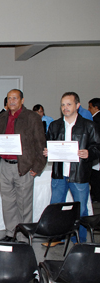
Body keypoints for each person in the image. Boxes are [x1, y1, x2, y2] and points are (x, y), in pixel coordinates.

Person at [43, 92, 100, 244]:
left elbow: (97, 147)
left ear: (77, 106)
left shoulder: (89, 126)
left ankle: (79, 240)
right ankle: (56, 237)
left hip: (79, 175)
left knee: (80, 211)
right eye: (63, 104)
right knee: (55, 209)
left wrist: (89, 152)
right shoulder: (55, 126)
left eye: (69, 104)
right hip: (59, 175)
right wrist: (47, 151)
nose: (65, 108)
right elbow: (48, 144)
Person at [0, 89, 46, 242]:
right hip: (5, 165)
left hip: (24, 166)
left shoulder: (32, 117)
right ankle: (10, 233)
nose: (12, 101)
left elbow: (41, 144)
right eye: (9, 98)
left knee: (24, 204)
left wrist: (37, 167)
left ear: (22, 100)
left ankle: (23, 236)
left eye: (15, 98)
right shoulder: (1, 117)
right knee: (7, 202)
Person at [88, 98, 100, 202]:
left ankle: (96, 196)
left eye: (90, 107)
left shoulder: (95, 120)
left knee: (95, 175)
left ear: (96, 108)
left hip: (97, 150)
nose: (89, 109)